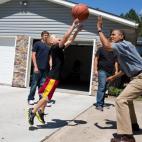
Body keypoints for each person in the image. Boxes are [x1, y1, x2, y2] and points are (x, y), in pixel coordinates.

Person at [28, 19, 83, 125]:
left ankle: (41, 112)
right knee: (46, 97)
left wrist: (77, 31)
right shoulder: (55, 47)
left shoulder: (59, 48)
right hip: (53, 77)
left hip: (54, 77)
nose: (58, 38)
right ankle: (33, 111)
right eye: (55, 37)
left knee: (46, 96)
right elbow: (66, 36)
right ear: (52, 41)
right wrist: (73, 25)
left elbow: (70, 40)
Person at [97, 16, 142, 141]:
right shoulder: (124, 48)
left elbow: (106, 46)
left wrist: (100, 30)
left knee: (121, 100)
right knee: (127, 100)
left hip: (140, 77)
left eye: (113, 35)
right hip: (138, 76)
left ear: (121, 36)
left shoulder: (122, 45)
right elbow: (125, 70)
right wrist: (113, 76)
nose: (111, 37)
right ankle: (133, 125)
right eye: (110, 35)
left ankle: (127, 136)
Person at [27, 31, 50, 105]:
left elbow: (49, 57)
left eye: (47, 35)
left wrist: (50, 66)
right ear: (42, 36)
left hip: (45, 69)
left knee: (42, 85)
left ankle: (41, 100)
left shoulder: (48, 45)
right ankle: (30, 99)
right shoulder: (37, 44)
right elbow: (33, 55)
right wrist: (35, 67)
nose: (46, 36)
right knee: (34, 84)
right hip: (38, 68)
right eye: (45, 35)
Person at [94, 46, 118, 111]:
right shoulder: (101, 49)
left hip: (110, 72)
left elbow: (116, 61)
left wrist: (116, 71)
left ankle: (101, 102)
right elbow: (96, 58)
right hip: (102, 70)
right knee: (102, 86)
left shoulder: (115, 50)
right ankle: (99, 104)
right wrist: (95, 69)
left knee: (105, 87)